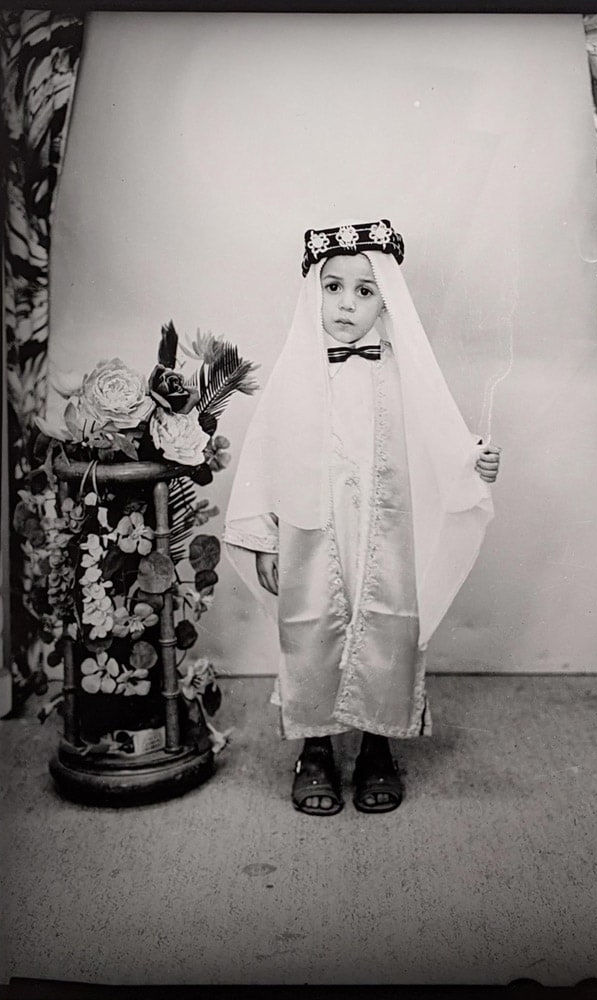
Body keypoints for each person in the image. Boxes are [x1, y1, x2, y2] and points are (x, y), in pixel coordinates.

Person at [224, 219, 500, 816]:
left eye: (365, 290)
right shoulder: (295, 373)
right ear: (312, 293)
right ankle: (315, 748)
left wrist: (471, 461)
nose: (347, 303)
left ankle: (379, 745)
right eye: (333, 287)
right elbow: (264, 458)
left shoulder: (403, 374)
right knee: (310, 627)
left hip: (386, 530)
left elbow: (435, 439)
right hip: (312, 530)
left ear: (386, 300)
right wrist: (263, 536)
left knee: (388, 627)